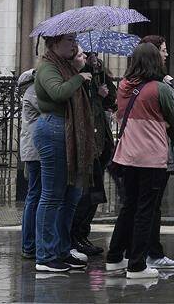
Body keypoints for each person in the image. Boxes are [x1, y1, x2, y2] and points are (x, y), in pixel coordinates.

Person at [106, 42, 174, 279]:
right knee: (145, 210)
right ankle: (137, 265)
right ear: (155, 62)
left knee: (129, 207)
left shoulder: (123, 86)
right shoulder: (158, 89)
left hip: (127, 156)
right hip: (150, 158)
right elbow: (172, 120)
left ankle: (114, 257)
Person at [33, 35, 95, 273]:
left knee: (71, 196)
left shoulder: (66, 66)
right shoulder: (47, 67)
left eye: (74, 39)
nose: (74, 44)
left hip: (66, 131)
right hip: (54, 130)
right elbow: (58, 92)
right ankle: (45, 255)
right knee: (51, 196)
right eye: (69, 40)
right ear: (53, 44)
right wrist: (78, 77)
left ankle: (61, 249)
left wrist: (79, 70)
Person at [139, 34, 174, 270]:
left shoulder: (132, 82)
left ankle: (132, 252)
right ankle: (151, 253)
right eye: (164, 50)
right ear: (154, 53)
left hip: (138, 153)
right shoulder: (158, 85)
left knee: (141, 206)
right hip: (154, 153)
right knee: (151, 206)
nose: (167, 54)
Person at [70, 50, 116, 257]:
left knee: (95, 194)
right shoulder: (76, 76)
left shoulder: (98, 73)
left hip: (101, 141)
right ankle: (75, 236)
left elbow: (111, 101)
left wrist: (103, 87)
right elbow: (79, 107)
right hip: (88, 142)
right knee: (86, 194)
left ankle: (83, 234)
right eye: (85, 54)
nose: (90, 57)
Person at [18, 67, 43, 260]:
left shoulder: (35, 89)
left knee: (36, 194)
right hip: (36, 150)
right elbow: (50, 108)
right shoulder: (33, 90)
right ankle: (29, 243)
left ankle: (32, 242)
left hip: (36, 149)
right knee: (34, 195)